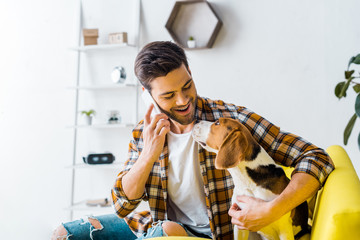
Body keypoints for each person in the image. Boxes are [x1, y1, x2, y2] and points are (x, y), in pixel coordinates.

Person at [52, 41, 334, 240]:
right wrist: (148, 154)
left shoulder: (230, 122)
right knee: (63, 234)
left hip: (205, 232)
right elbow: (122, 205)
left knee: (167, 232)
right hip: (150, 224)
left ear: (190, 71)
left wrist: (272, 209)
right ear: (147, 95)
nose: (183, 100)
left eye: (187, 85)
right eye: (167, 95)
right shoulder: (144, 132)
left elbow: (315, 157)